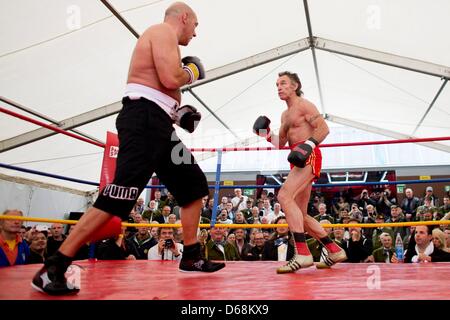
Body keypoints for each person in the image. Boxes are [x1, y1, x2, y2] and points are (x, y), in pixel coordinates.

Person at [31, 2, 224, 296]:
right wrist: (192, 71)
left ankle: (192, 255)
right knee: (120, 194)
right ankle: (54, 266)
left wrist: (178, 112)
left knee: (193, 185)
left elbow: (161, 89)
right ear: (184, 18)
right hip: (143, 120)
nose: (195, 34)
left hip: (158, 124)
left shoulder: (167, 43)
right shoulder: (161, 32)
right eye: (195, 25)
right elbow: (172, 78)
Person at [253, 71, 346, 273]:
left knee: (284, 196)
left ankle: (303, 253)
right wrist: (265, 133)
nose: (279, 87)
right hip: (297, 160)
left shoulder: (304, 105)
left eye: (283, 83)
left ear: (294, 86)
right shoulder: (285, 115)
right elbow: (281, 143)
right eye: (277, 84)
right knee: (300, 215)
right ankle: (334, 249)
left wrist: (309, 145)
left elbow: (323, 129)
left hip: (309, 155)